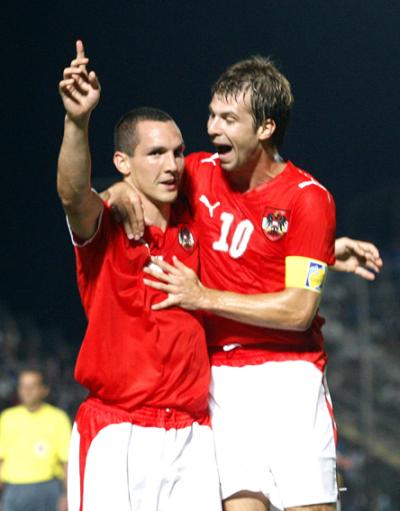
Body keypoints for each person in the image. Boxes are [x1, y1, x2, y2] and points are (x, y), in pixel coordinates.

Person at [105, 56, 383, 511]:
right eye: (212, 114)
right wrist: (119, 192)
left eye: (229, 119)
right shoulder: (197, 173)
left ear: (266, 128)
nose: (213, 128)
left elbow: (298, 311)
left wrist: (203, 296)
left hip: (290, 375)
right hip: (221, 380)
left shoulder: (308, 200)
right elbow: (138, 184)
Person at [57, 41, 221, 511]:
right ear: (122, 163)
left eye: (177, 152)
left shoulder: (196, 223)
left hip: (193, 433)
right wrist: (76, 121)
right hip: (120, 431)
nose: (171, 165)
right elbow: (72, 194)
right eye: (155, 154)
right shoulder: (105, 222)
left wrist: (324, 249)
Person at [0, 369, 71, 511]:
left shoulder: (58, 418)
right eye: (23, 386)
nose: (27, 391)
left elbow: (66, 462)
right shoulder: (7, 418)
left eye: (32, 386)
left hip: (48, 489)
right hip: (14, 489)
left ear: (44, 390)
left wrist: (67, 495)